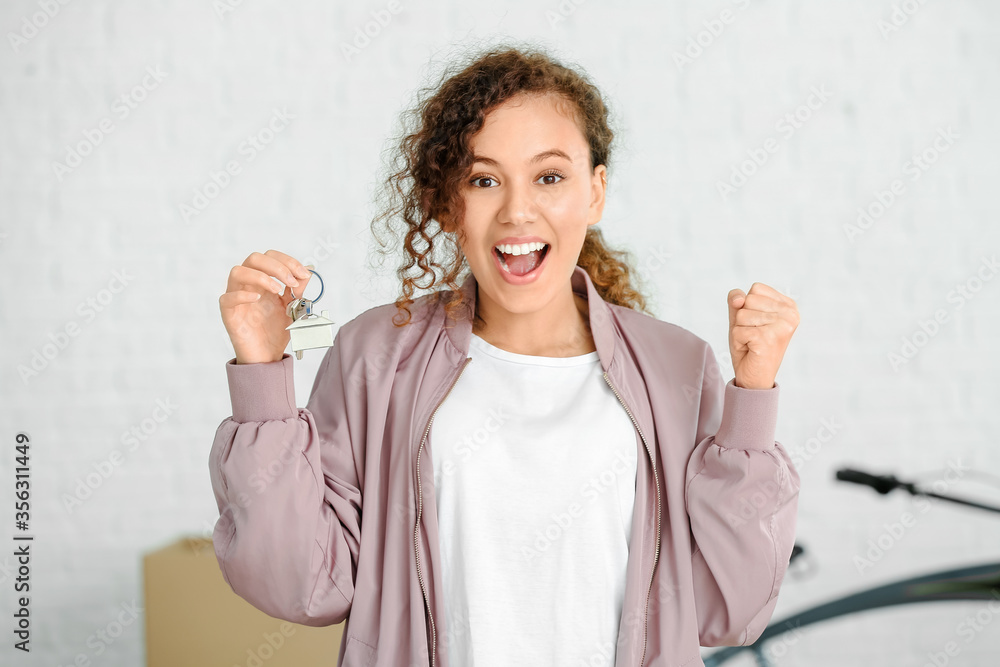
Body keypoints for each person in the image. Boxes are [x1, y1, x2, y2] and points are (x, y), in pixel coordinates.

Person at [210, 42, 801, 667]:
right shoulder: (375, 356)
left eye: (549, 176)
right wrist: (262, 380)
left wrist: (753, 402)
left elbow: (727, 609)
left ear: (595, 193)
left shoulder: (677, 366)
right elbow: (301, 584)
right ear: (445, 203)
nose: (518, 210)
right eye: (483, 179)